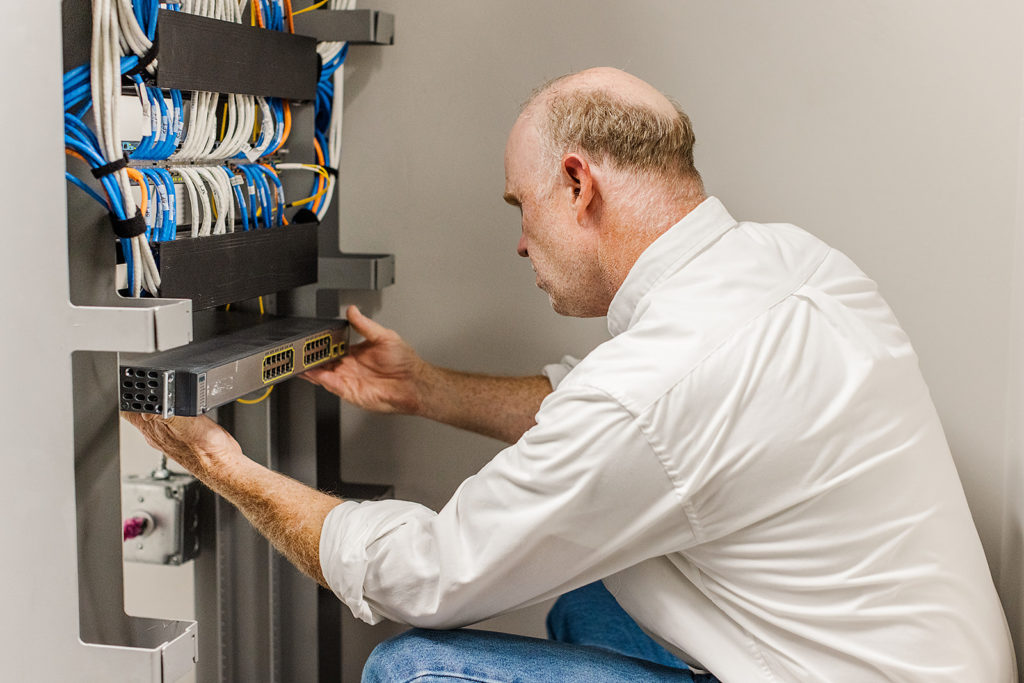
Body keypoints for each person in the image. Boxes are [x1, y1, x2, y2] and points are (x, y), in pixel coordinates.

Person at [124, 67, 1017, 682]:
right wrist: (420, 386)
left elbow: (424, 573)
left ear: (578, 183)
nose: (520, 240)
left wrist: (217, 463)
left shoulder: (654, 389)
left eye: (523, 206)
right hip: (909, 661)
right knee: (593, 599)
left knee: (412, 667)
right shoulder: (790, 263)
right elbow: (614, 422)